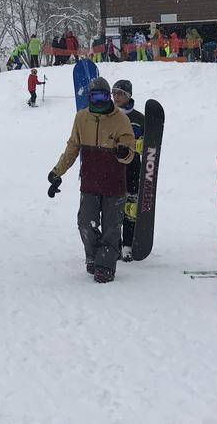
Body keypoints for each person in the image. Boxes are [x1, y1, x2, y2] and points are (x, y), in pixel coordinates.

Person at [47, 76, 136, 284]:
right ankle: (94, 255)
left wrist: (123, 152)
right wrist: (57, 172)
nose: (99, 101)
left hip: (114, 182)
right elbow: (72, 148)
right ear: (89, 98)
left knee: (112, 226)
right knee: (85, 222)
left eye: (103, 96)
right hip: (90, 180)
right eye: (95, 97)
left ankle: (105, 264)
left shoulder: (120, 119)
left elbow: (130, 151)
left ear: (109, 98)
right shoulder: (81, 118)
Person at [112, 79, 146, 260]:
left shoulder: (139, 119)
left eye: (120, 93)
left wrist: (138, 144)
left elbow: (150, 146)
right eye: (114, 93)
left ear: (128, 96)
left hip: (133, 168)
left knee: (131, 207)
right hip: (112, 169)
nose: (116, 97)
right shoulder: (108, 116)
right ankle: (114, 242)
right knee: (113, 207)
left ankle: (128, 244)